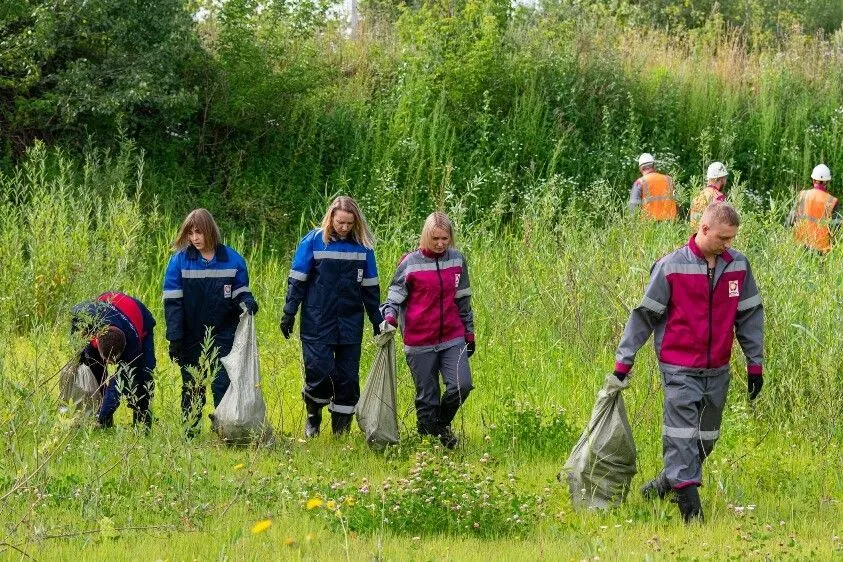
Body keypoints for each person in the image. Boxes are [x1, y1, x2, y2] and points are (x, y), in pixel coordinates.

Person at [612, 202, 763, 523]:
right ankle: (692, 516)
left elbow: (749, 316)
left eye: (732, 239)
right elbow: (643, 317)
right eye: (723, 238)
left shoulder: (738, 266)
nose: (728, 245)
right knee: (681, 437)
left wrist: (755, 364)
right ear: (704, 229)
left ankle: (663, 484)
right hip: (678, 368)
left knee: (705, 441)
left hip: (718, 369)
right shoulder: (670, 267)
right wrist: (623, 363)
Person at [280, 196, 383, 437]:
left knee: (347, 378)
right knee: (320, 372)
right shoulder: (314, 242)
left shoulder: (363, 247)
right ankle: (313, 417)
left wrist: (376, 318)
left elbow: (370, 287)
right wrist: (289, 312)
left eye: (349, 223)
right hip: (317, 321)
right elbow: (297, 280)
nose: (344, 228)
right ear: (331, 218)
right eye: (340, 223)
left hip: (350, 322)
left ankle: (341, 434)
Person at [381, 211, 475, 449]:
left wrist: (469, 333)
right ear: (426, 237)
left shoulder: (457, 260)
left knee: (461, 385)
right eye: (435, 239)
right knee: (427, 397)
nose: (441, 244)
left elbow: (463, 300)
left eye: (445, 238)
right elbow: (393, 297)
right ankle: (427, 443)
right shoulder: (410, 263)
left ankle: (439, 426)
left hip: (452, 336)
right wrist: (390, 317)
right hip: (419, 340)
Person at [163, 208, 258, 437]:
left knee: (222, 383)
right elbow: (173, 304)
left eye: (199, 232)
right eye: (190, 233)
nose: (194, 238)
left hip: (223, 332)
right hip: (190, 334)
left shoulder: (232, 259)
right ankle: (190, 432)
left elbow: (240, 292)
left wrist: (248, 302)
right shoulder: (179, 262)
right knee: (192, 385)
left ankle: (224, 431)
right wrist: (175, 338)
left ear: (210, 232)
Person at [70, 292, 156, 429]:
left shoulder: (133, 346)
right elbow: (75, 317)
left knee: (142, 374)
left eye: (113, 360)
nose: (110, 364)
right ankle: (104, 423)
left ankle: (142, 425)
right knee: (93, 368)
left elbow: (118, 384)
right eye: (107, 359)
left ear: (124, 349)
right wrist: (77, 353)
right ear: (97, 341)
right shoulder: (85, 316)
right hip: (106, 306)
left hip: (139, 317)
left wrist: (101, 418)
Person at [787, 164, 840, 253]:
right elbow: (835, 228)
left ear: (813, 180)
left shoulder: (803, 195)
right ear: (826, 182)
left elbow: (790, 221)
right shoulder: (831, 201)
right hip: (821, 249)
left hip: (799, 245)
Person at [628, 153, 678, 220]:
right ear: (654, 166)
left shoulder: (639, 183)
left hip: (649, 226)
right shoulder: (669, 179)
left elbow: (633, 207)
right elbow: (678, 202)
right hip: (671, 224)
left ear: (640, 168)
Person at [689, 162, 729, 229]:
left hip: (696, 236)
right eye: (725, 179)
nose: (725, 182)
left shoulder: (699, 195)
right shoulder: (718, 197)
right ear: (722, 179)